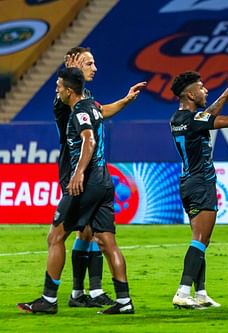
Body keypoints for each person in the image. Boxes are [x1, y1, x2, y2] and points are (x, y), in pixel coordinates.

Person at [17, 67, 136, 314]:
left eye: (59, 87)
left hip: (86, 183)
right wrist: (126, 100)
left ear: (69, 91)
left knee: (55, 237)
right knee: (107, 241)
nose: (57, 91)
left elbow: (89, 139)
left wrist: (79, 172)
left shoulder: (80, 111)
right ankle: (124, 302)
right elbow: (104, 114)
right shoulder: (92, 105)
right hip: (104, 181)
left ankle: (48, 300)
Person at [54, 47, 146, 307]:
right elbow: (85, 136)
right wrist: (79, 171)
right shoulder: (63, 98)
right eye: (89, 63)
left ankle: (85, 292)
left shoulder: (87, 98)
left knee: (91, 233)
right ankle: (77, 292)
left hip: (91, 171)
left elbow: (102, 111)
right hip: (75, 170)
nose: (95, 68)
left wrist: (126, 99)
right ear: (74, 67)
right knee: (77, 233)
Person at [170, 71, 228, 309]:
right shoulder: (192, 120)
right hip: (201, 183)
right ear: (190, 94)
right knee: (200, 240)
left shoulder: (178, 119)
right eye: (201, 87)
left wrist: (226, 93)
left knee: (201, 239)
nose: (205, 90)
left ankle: (200, 293)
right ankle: (182, 291)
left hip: (188, 183)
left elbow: (206, 116)